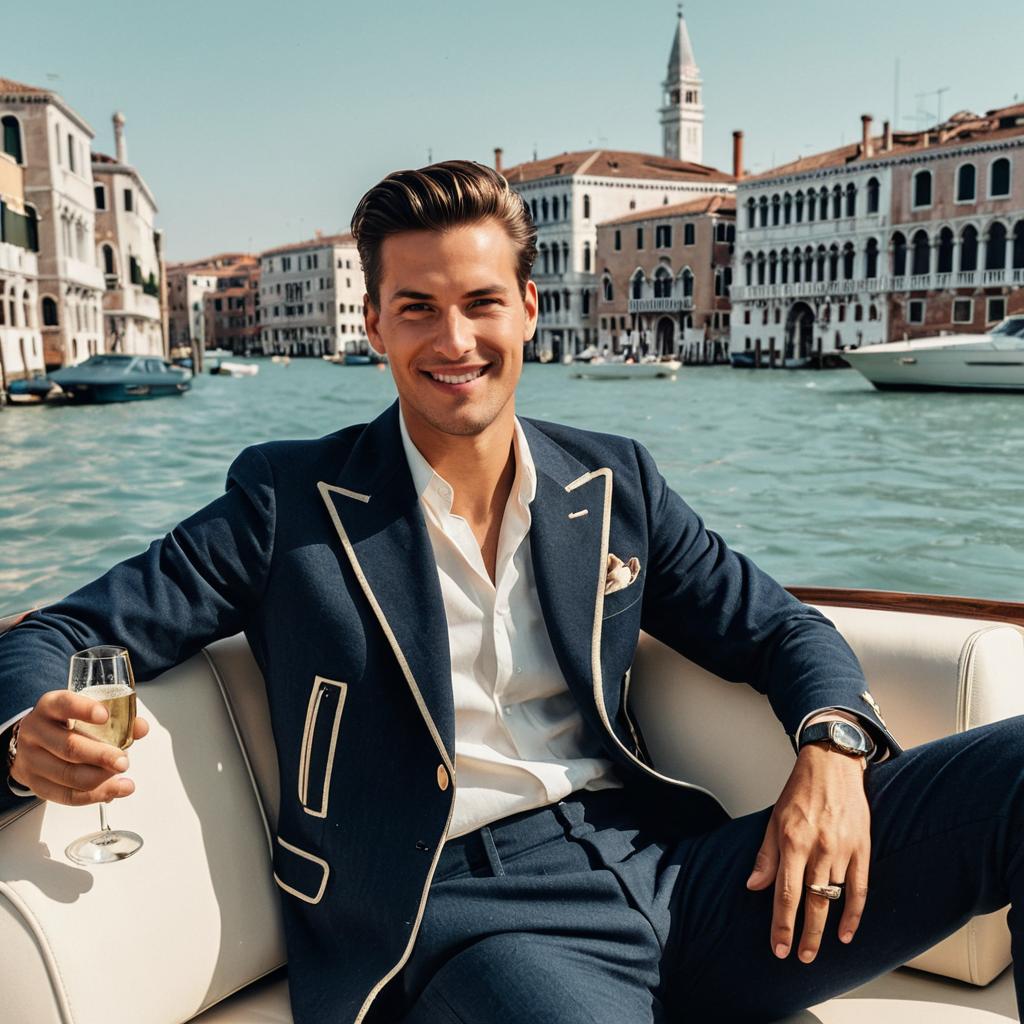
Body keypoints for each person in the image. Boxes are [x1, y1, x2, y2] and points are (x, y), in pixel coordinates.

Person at [2, 161, 1023, 1024]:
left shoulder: (612, 481)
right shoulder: (286, 500)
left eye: (482, 301)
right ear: (375, 324)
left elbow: (778, 629)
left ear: (529, 309)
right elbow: (62, 630)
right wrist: (27, 735)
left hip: (670, 867)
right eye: (418, 308)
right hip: (453, 914)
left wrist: (833, 746)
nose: (454, 340)